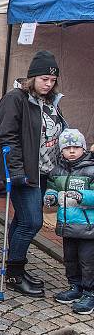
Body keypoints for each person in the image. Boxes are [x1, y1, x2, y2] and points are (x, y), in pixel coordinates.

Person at [0, 50, 65, 298]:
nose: (49, 84)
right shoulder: (16, 99)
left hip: (43, 170)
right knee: (33, 221)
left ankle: (15, 268)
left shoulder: (50, 101)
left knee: (23, 219)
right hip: (25, 171)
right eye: (44, 79)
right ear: (32, 77)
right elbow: (7, 136)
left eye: (53, 80)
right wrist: (17, 170)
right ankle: (14, 273)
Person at [44, 129, 94, 314]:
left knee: (88, 262)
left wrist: (82, 196)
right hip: (67, 225)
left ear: (83, 148)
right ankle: (75, 287)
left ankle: (90, 293)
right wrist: (50, 197)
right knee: (70, 259)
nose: (71, 151)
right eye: (67, 148)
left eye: (76, 147)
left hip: (88, 226)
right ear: (61, 150)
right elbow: (52, 189)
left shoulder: (91, 169)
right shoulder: (57, 170)